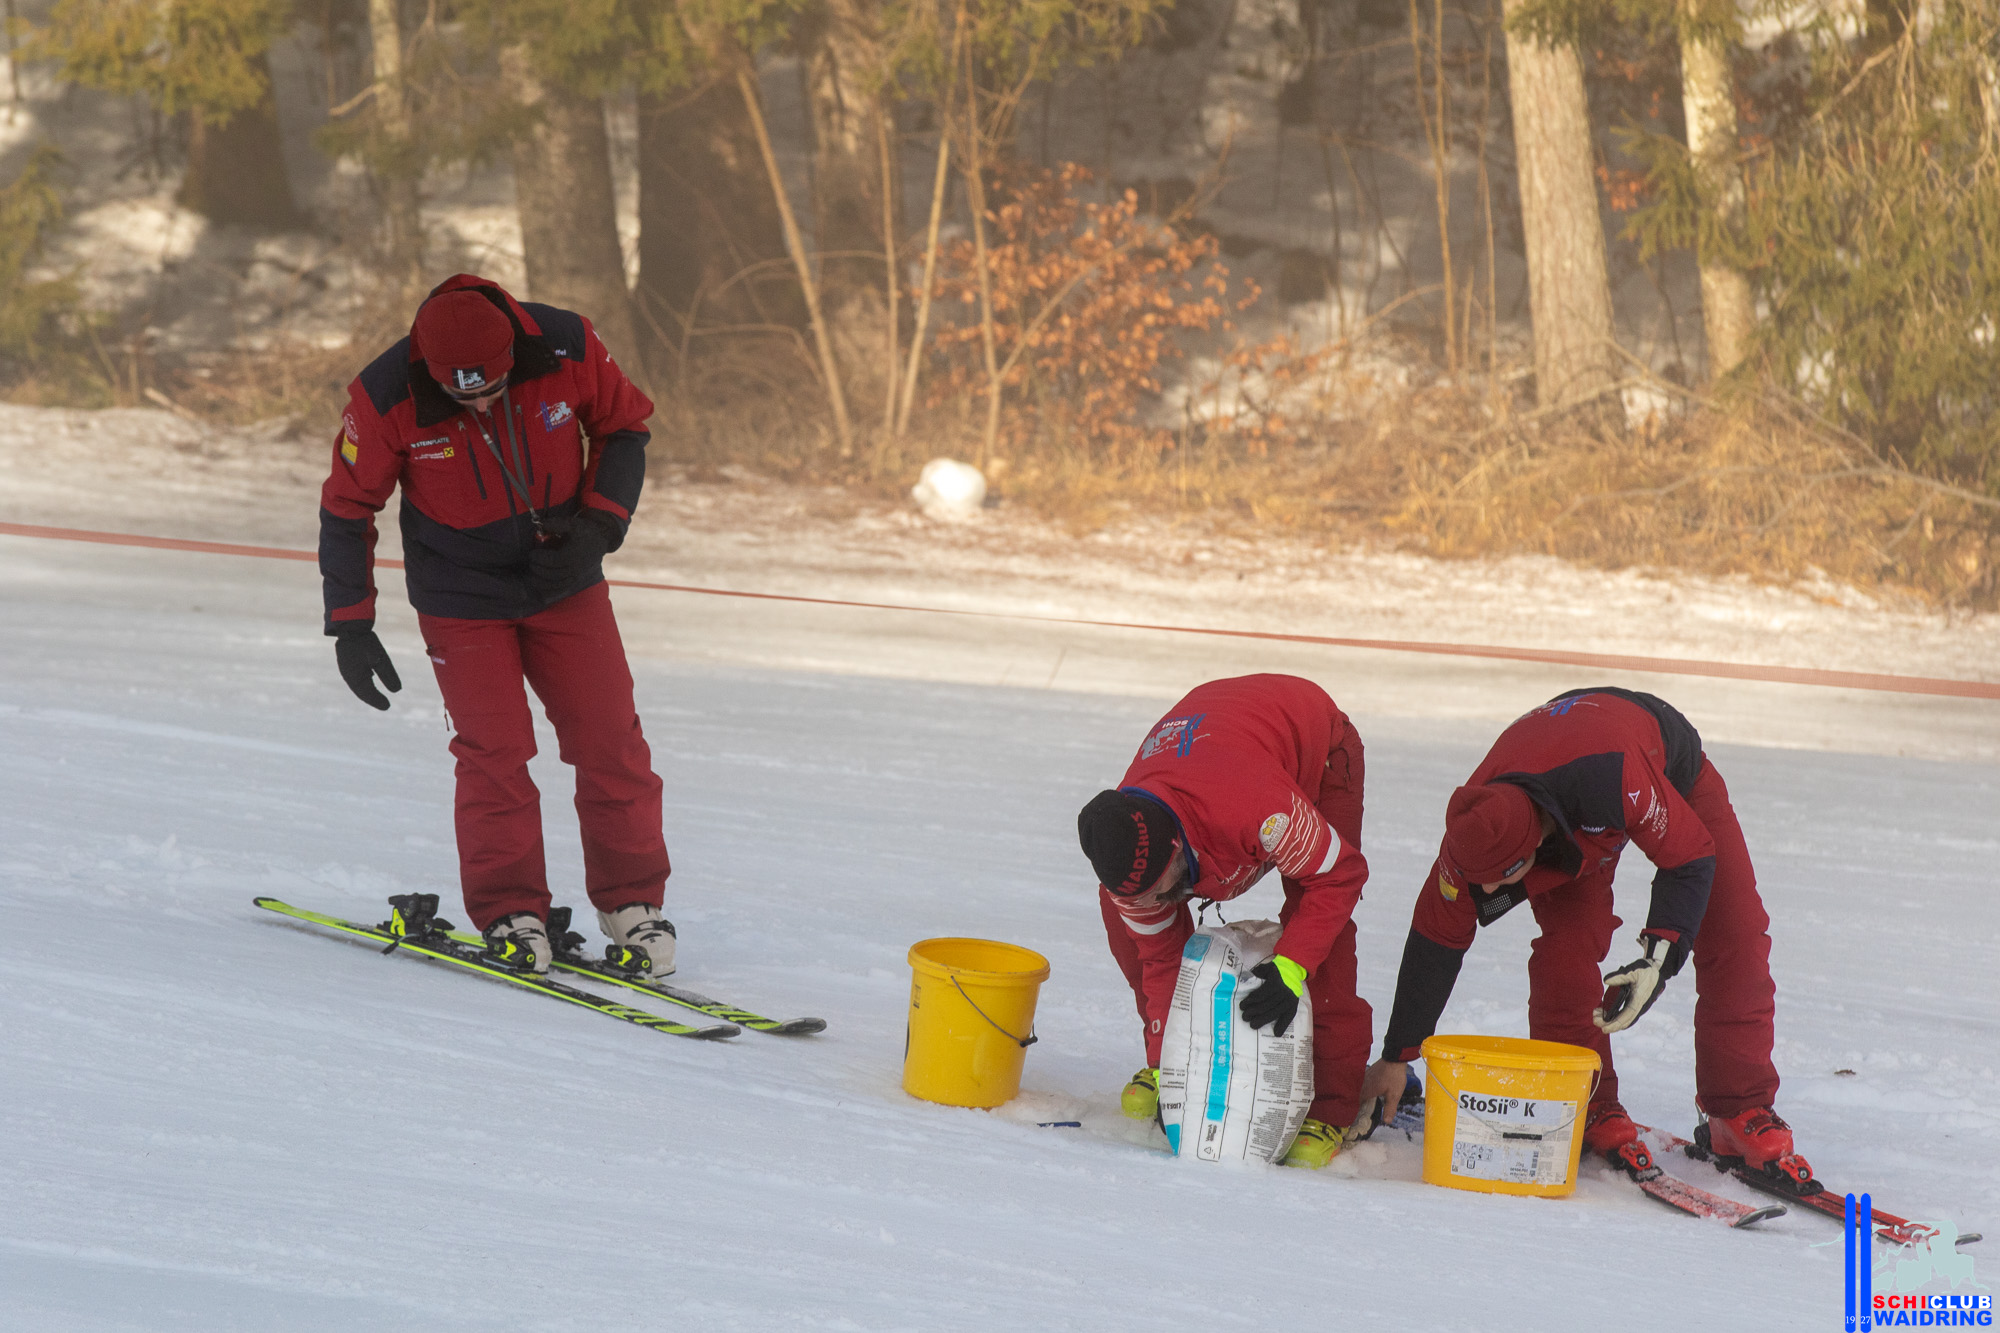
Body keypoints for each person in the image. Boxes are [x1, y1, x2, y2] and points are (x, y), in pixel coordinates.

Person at [317, 273, 677, 979]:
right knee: (496, 753)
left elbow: (624, 426)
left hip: (564, 580)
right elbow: (348, 506)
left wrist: (598, 528)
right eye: (463, 395)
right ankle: (511, 910)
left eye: (493, 387)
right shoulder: (385, 396)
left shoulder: (566, 343)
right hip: (460, 597)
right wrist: (350, 622)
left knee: (610, 739)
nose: (481, 402)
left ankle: (633, 902)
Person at [1356, 687, 1811, 1188]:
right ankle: (1586, 1100)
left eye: (1500, 878)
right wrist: (1397, 1055)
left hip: (1656, 767)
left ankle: (1738, 1108)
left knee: (1735, 929)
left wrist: (1657, 959)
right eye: (1478, 880)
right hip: (1565, 796)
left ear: (1533, 844)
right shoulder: (1475, 827)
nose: (1485, 891)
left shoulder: (1614, 778)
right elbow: (1435, 939)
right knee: (1567, 950)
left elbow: (1689, 856)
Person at [1076, 674, 1374, 1168]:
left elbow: (1340, 874)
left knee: (1321, 925)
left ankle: (1332, 1107)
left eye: (1160, 889)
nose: (1155, 901)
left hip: (1315, 750)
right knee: (1130, 932)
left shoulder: (1258, 809)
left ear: (1177, 846)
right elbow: (1160, 958)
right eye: (1141, 896)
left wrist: (1291, 966)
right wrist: (1169, 1064)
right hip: (1220, 743)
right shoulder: (1124, 851)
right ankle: (1167, 1061)